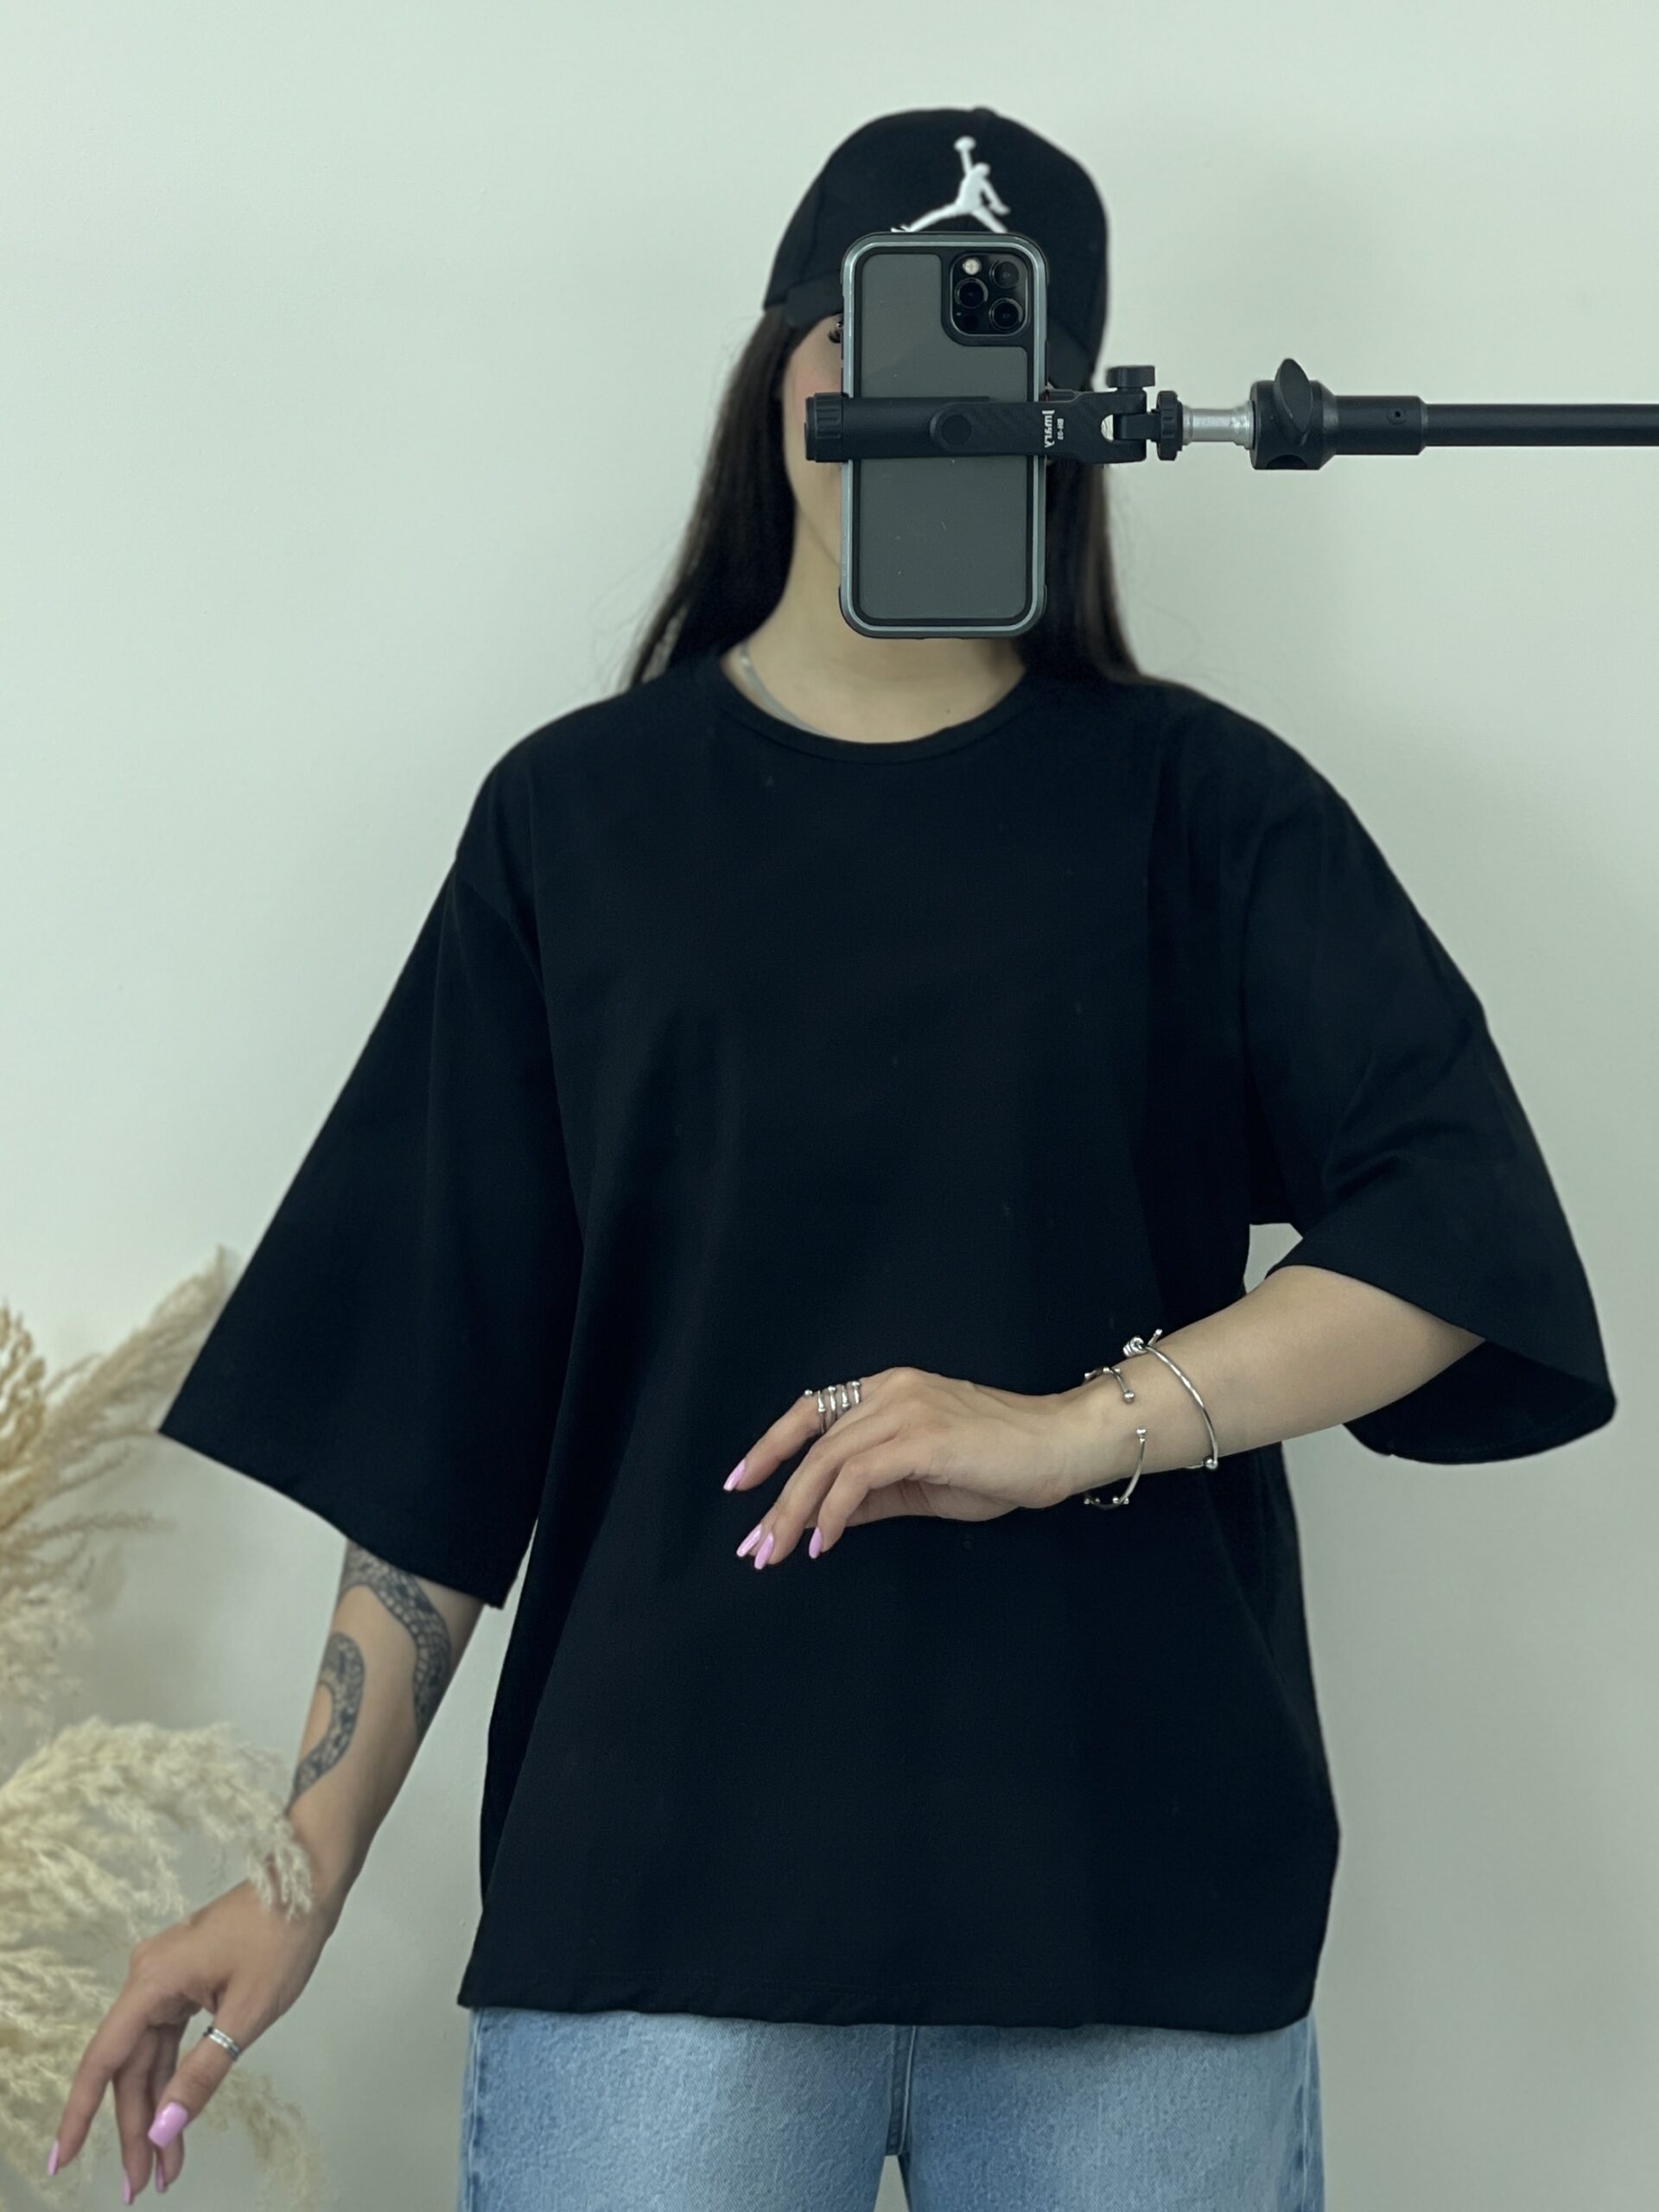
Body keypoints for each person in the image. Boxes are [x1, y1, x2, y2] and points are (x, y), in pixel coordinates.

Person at [45, 105, 1615, 2212]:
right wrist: (295, 1869)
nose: (913, 396)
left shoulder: (1206, 810)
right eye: (867, 332)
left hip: (1131, 1894)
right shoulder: (576, 827)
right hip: (660, 1901)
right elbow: (445, 1405)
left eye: (991, 346)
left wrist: (1070, 1427)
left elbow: (1453, 1226)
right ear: (778, 368)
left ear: (1068, 422)